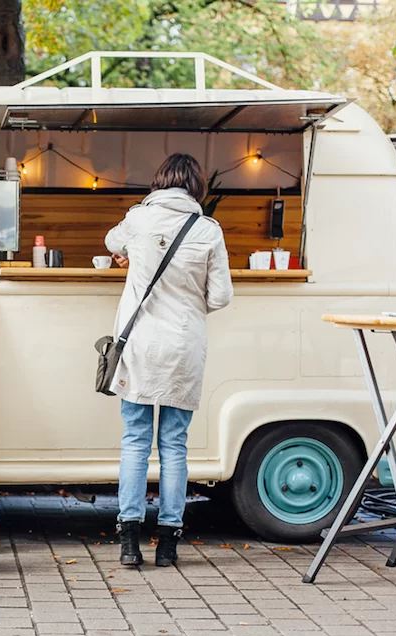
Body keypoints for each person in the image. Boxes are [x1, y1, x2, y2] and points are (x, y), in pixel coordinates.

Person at [104, 153, 233, 567]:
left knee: (135, 441)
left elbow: (111, 241)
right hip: (183, 345)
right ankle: (169, 543)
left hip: (139, 344)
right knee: (174, 445)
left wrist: (131, 255)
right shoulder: (208, 230)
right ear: (197, 187)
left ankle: (128, 543)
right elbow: (220, 296)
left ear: (160, 182)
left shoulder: (138, 219)